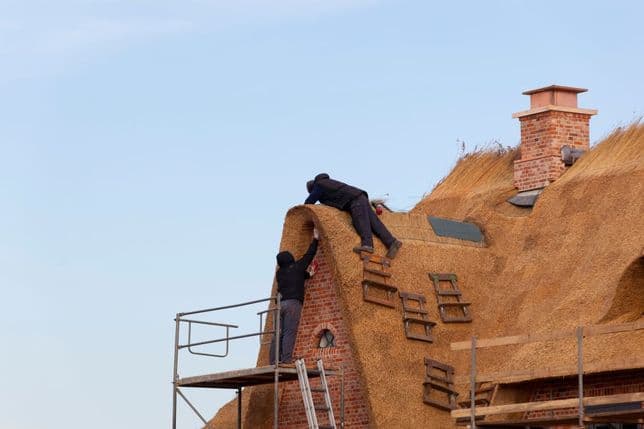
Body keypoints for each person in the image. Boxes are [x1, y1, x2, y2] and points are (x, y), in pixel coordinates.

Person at [305, 173, 402, 259]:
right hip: (360, 197)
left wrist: (302, 209)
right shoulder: (329, 183)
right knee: (374, 223)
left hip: (354, 201)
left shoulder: (319, 185)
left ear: (312, 188)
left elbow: (310, 201)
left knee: (360, 222)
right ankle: (391, 242)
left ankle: (367, 245)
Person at [269, 229, 319, 365]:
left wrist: (308, 275)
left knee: (277, 334)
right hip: (292, 304)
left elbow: (295, 277)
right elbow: (309, 255)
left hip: (279, 304)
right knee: (289, 332)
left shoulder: (280, 274)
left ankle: (273, 360)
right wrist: (315, 238)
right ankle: (286, 360)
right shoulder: (297, 267)